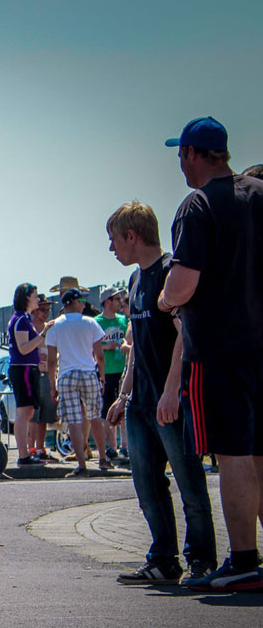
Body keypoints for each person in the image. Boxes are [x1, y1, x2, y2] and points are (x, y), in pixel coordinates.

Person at [159, 116, 263, 591]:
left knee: (234, 454)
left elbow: (182, 285)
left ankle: (243, 560)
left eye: (181, 154)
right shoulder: (258, 195)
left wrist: (164, 298)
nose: (180, 163)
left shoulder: (197, 205)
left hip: (219, 352)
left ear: (193, 154)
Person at [104, 201, 216, 585]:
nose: (112, 248)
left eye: (114, 240)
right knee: (147, 483)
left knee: (189, 482)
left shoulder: (170, 273)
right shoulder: (135, 282)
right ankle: (163, 559)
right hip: (140, 403)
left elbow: (185, 335)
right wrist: (124, 395)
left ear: (132, 236)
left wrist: (172, 393)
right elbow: (136, 345)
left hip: (172, 402)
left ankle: (201, 559)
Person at [45, 288, 108, 475]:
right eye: (80, 301)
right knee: (95, 416)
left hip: (66, 375)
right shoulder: (90, 323)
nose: (83, 304)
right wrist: (102, 377)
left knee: (73, 421)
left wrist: (52, 385)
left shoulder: (55, 326)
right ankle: (103, 458)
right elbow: (100, 356)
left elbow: (51, 361)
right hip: (88, 373)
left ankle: (81, 464)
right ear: (72, 302)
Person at [6, 283, 54, 467]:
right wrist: (43, 333)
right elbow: (23, 348)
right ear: (26, 297)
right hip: (22, 368)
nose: (38, 300)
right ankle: (23, 454)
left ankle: (25, 453)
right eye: (35, 296)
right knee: (24, 411)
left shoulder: (24, 318)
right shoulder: (21, 319)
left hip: (28, 367)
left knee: (28, 411)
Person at [95, 286, 128, 462]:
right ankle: (112, 447)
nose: (120, 302)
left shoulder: (123, 320)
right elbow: (91, 346)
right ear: (107, 301)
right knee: (108, 410)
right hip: (106, 372)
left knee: (124, 409)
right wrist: (106, 346)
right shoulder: (97, 322)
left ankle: (125, 446)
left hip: (123, 372)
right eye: (116, 299)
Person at [30, 295, 59, 461]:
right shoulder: (30, 327)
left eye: (48, 309)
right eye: (42, 309)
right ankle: (31, 449)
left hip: (48, 373)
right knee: (33, 415)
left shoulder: (51, 328)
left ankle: (41, 449)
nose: (46, 313)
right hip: (34, 373)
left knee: (45, 416)